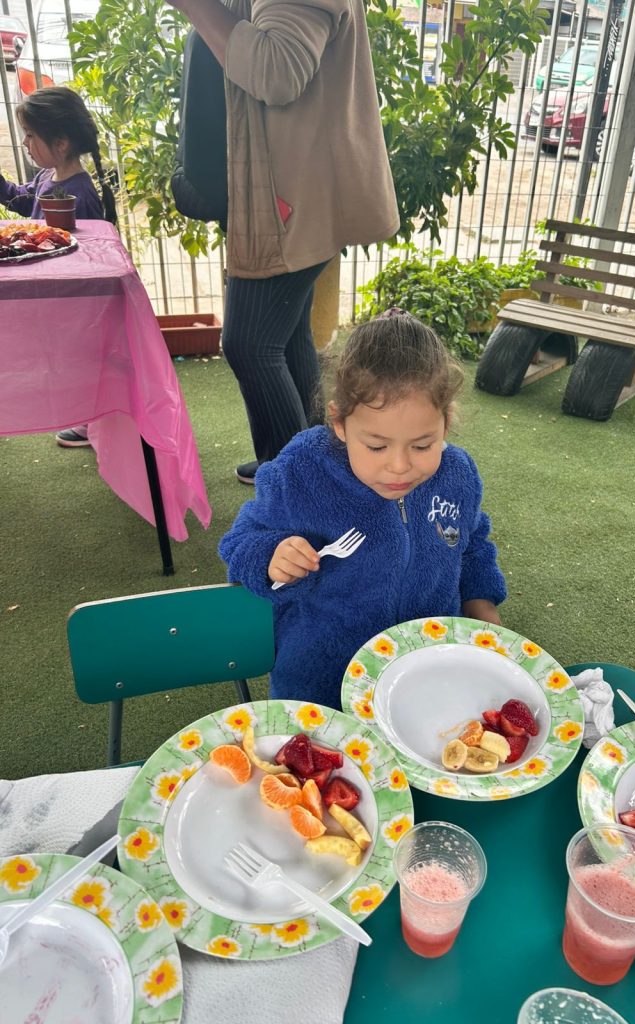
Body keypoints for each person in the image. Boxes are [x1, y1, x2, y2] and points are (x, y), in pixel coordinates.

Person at [164, 0, 400, 484]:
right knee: (287, 336)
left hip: (288, 200)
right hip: (290, 193)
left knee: (250, 344)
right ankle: (309, 464)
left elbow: (277, 73)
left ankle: (300, 487)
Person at [219, 311, 507, 708]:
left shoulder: (457, 473)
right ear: (339, 422)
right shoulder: (302, 471)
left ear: (446, 422)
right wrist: (272, 556)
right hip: (322, 684)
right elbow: (240, 541)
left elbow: (472, 544)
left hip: (425, 675)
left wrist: (483, 609)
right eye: (376, 446)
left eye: (423, 445)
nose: (399, 466)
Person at [0, 86, 117, 449]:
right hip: (52, 292)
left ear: (61, 143)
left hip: (75, 299)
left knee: (83, 358)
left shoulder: (79, 194)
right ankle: (87, 414)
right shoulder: (46, 179)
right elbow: (23, 200)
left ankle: (93, 419)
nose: (25, 143)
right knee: (66, 359)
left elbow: (91, 255)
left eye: (31, 135)